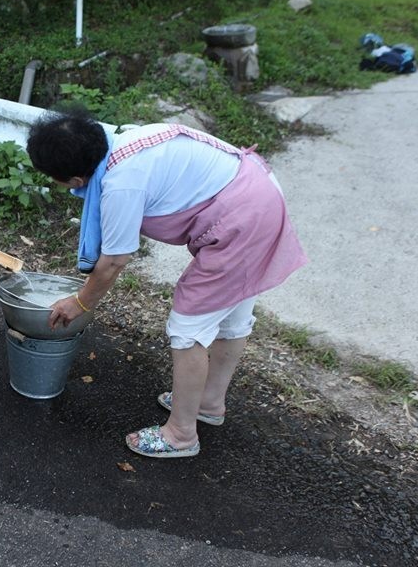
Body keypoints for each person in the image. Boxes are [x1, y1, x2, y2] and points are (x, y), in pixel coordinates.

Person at [25, 111, 307, 459]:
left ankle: (181, 434)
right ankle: (207, 402)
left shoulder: (121, 183)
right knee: (231, 317)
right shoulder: (128, 140)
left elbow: (114, 261)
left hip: (241, 222)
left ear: (75, 178)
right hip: (259, 191)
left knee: (187, 327)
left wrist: (80, 303)